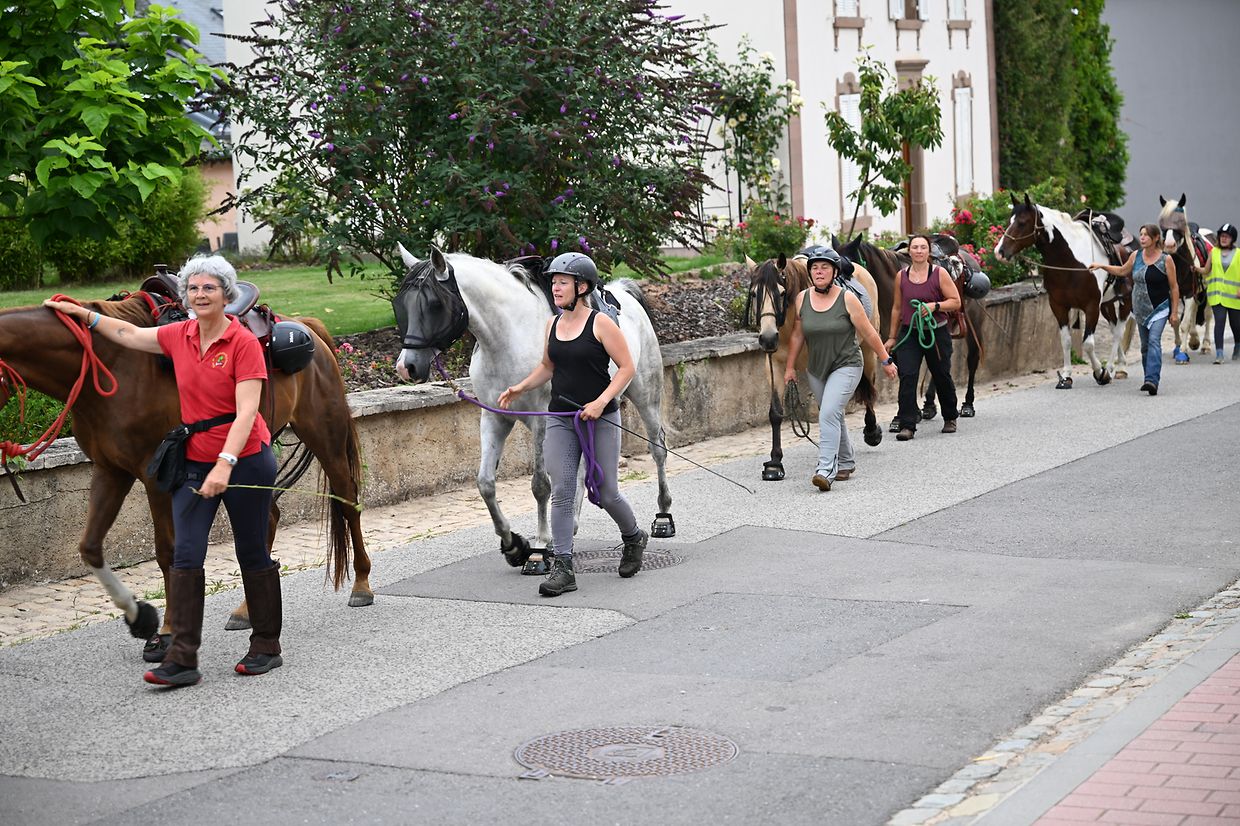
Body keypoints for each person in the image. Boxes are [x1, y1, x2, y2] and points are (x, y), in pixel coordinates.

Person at [44, 255, 283, 687]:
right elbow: (130, 334)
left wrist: (225, 465)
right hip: (194, 461)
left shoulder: (242, 343)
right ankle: (182, 658)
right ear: (185, 295)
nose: (200, 295)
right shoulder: (180, 335)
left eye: (209, 288)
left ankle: (266, 645)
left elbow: (247, 412)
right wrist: (84, 316)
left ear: (225, 295)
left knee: (252, 552)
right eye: (193, 288)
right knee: (186, 554)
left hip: (246, 458)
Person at [497, 252, 648, 597]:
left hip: (601, 418)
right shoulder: (552, 325)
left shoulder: (601, 324)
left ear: (582, 287)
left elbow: (626, 367)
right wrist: (520, 387)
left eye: (562, 282)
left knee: (606, 492)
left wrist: (600, 402)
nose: (555, 288)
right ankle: (564, 568)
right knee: (563, 491)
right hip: (561, 418)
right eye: (553, 282)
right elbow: (548, 366)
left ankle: (633, 536)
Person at [784, 247, 897, 491]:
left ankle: (826, 469)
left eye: (824, 267)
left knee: (827, 413)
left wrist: (886, 360)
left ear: (835, 272)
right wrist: (790, 367)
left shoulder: (847, 298)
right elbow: (797, 334)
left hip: (847, 365)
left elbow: (869, 332)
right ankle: (846, 460)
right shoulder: (802, 298)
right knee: (832, 413)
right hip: (816, 369)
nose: (819, 271)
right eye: (815, 268)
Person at [884, 234, 962, 440]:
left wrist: (934, 306)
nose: (919, 251)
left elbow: (955, 301)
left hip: (937, 332)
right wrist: (892, 337)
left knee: (941, 374)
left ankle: (950, 416)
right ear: (909, 251)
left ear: (929, 251)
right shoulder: (901, 276)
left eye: (923, 247)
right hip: (910, 332)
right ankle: (907, 424)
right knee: (907, 376)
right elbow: (897, 308)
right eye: (915, 247)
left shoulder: (939, 273)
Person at [1091, 224, 1179, 395]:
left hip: (1159, 308)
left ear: (1155, 238)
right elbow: (1122, 271)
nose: (1142, 238)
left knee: (1154, 341)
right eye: (1141, 234)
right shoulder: (1135, 256)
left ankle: (1152, 380)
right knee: (1145, 347)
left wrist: (1174, 312)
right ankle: (1148, 378)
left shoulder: (1166, 260)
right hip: (1139, 309)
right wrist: (1102, 266)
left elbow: (1174, 287)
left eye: (1146, 235)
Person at [1192, 222, 1240, 363]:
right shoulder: (1214, 253)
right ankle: (1219, 354)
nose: (1224, 239)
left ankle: (1238, 346)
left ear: (1232, 239)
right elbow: (1206, 270)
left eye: (1227, 236)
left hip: (1234, 296)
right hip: (1217, 295)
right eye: (1222, 236)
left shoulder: (1238, 254)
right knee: (1219, 322)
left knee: (1236, 325)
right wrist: (1196, 269)